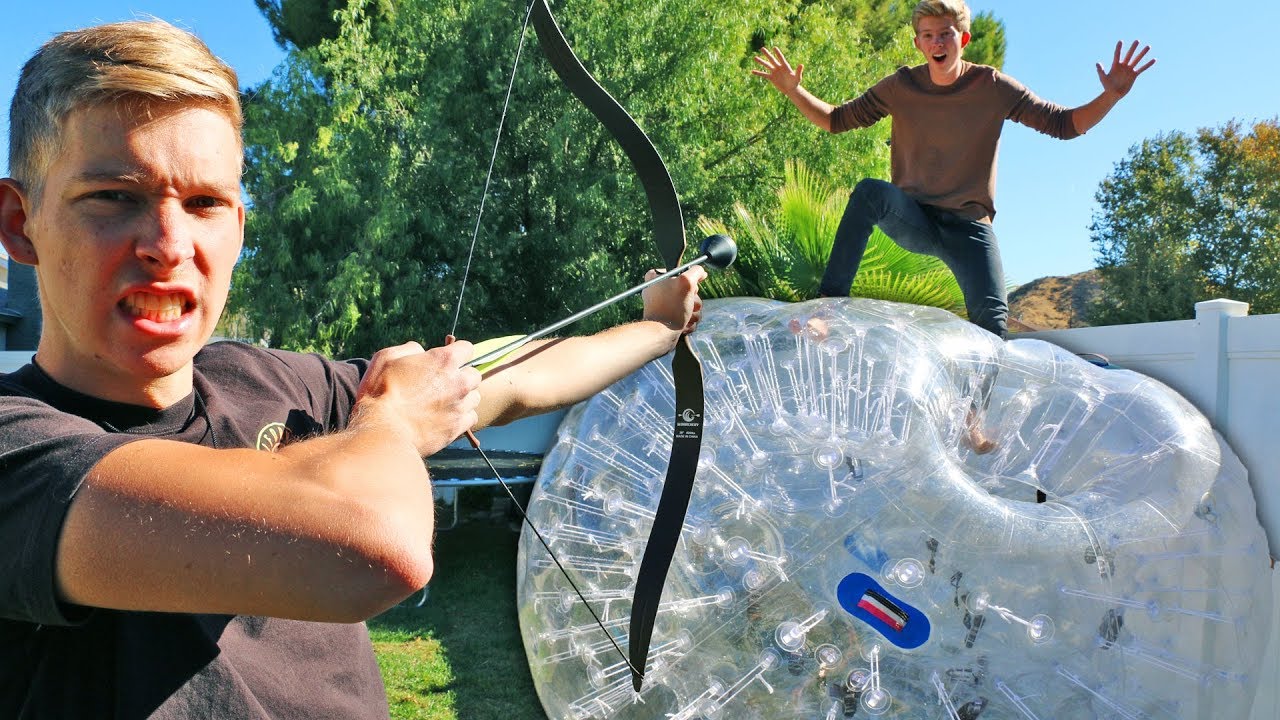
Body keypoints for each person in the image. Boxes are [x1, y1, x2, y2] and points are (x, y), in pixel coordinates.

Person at [0, 19, 706, 718]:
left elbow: (515, 376)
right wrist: (393, 421)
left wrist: (655, 327)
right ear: (18, 222)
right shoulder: (17, 448)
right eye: (113, 196)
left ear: (240, 229)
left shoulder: (273, 384)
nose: (167, 242)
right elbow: (372, 547)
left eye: (206, 202)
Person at [752, 0, 1154, 341]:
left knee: (993, 324)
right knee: (870, 192)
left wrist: (1110, 96)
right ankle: (826, 312)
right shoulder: (901, 86)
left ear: (962, 39)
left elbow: (1064, 125)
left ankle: (974, 421)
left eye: (944, 34)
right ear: (918, 44)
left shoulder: (993, 86)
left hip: (969, 227)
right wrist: (793, 89)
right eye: (927, 35)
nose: (936, 43)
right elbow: (837, 120)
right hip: (914, 218)